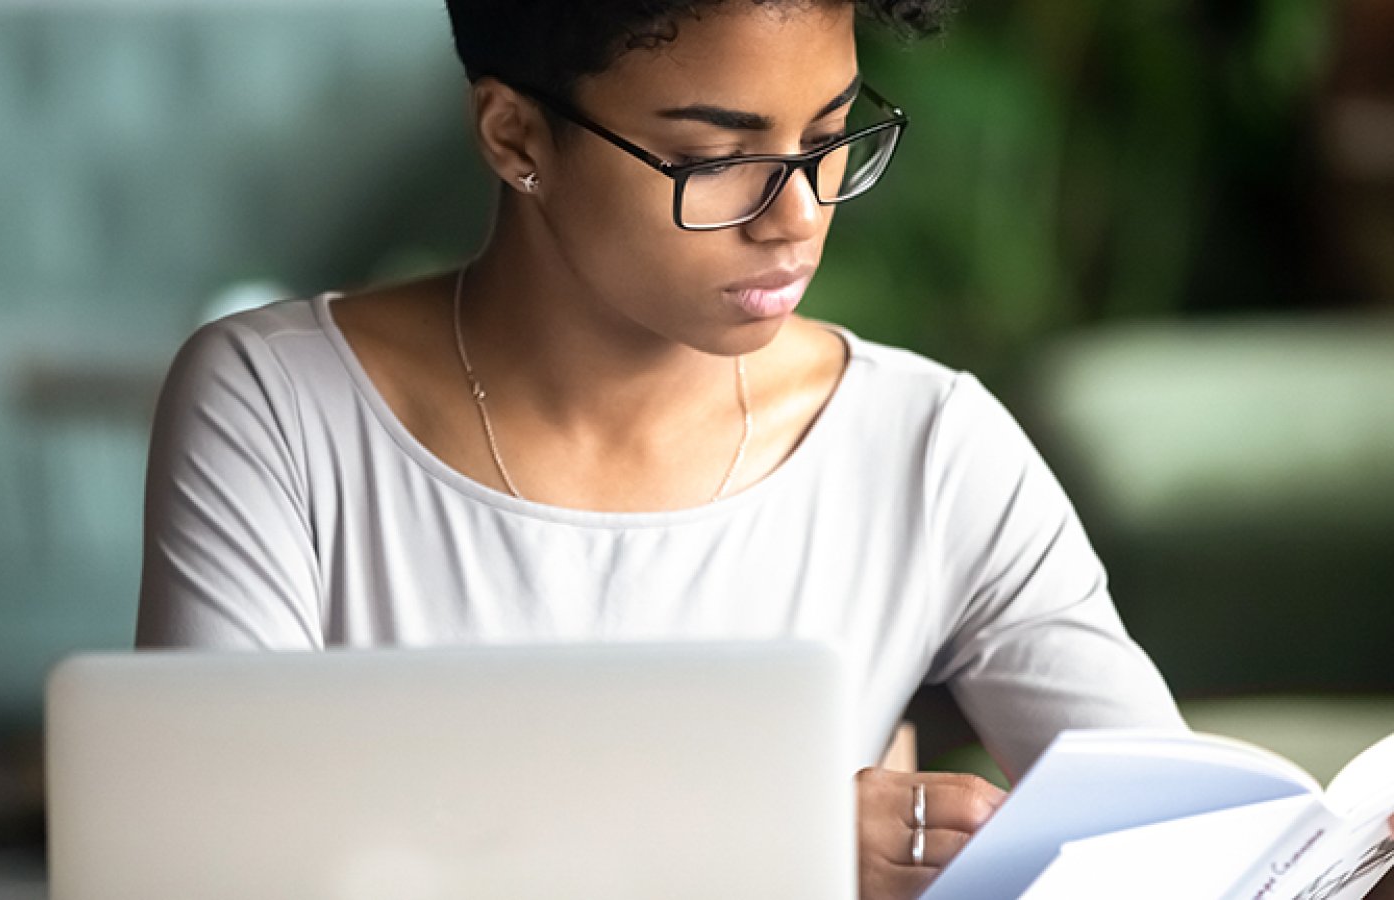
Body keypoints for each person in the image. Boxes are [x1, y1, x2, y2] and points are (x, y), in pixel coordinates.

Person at [135, 1, 1190, 897]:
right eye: (715, 160)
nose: (797, 217)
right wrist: (764, 838)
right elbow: (209, 862)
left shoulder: (924, 446)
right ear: (514, 137)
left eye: (828, 138)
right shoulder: (277, 407)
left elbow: (1184, 841)